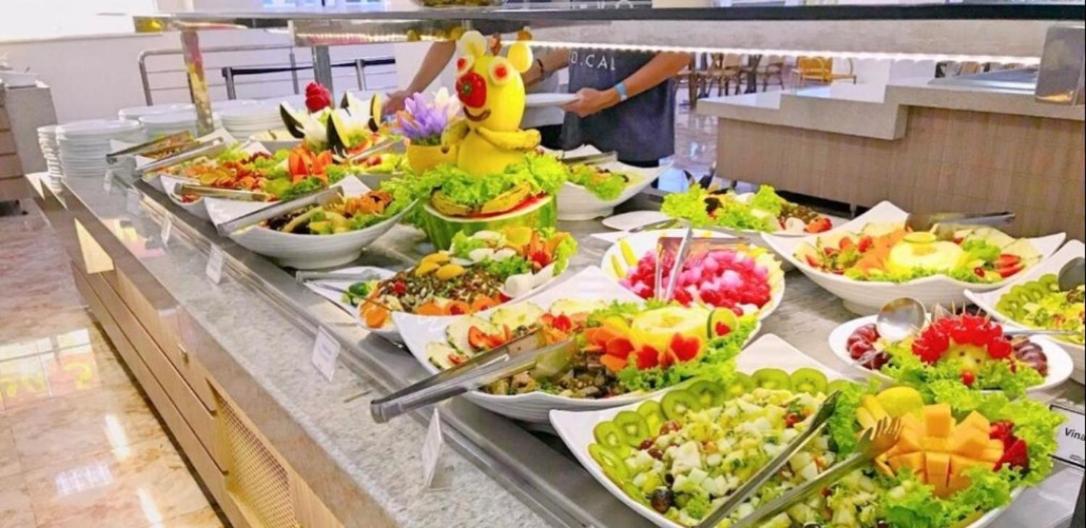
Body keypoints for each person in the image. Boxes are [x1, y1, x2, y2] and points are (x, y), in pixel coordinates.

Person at [386, 39, 689, 166]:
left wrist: (612, 95)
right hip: (580, 128)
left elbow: (680, 52)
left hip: (634, 133)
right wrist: (538, 69)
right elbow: (583, 42)